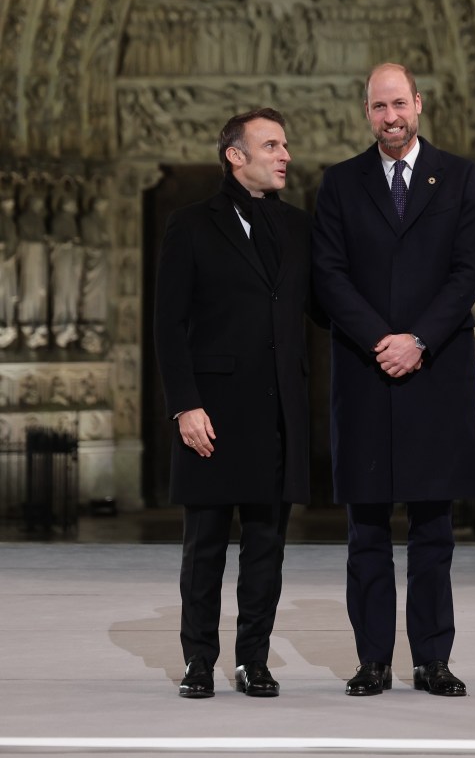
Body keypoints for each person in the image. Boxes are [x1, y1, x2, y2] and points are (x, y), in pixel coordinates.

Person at [312, 63, 475, 697]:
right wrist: (381, 341)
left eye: (399, 104)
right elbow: (328, 275)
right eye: (378, 107)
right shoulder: (338, 184)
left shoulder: (461, 177)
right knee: (366, 532)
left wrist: (418, 340)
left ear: (419, 102)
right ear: (367, 112)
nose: (391, 116)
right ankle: (373, 661)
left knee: (434, 530)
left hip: (435, 373)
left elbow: (467, 274)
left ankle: (433, 660)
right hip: (365, 373)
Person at [154, 108, 314, 699]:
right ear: (235, 155)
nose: (285, 155)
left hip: (277, 412)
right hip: (212, 414)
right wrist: (184, 405)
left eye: (285, 143)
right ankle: (198, 659)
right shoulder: (190, 224)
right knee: (205, 546)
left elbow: (324, 305)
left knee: (267, 546)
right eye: (271, 144)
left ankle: (254, 660)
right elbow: (168, 325)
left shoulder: (298, 227)